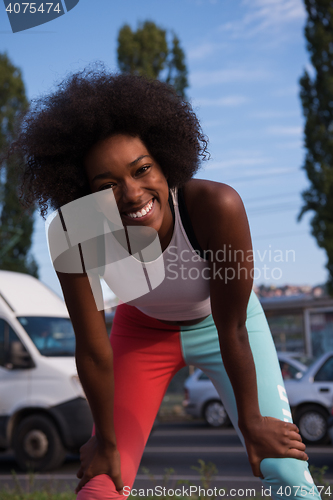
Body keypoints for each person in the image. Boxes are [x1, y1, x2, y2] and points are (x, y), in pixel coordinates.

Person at [11, 69, 320, 500]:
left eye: (142, 170)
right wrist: (108, 443)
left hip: (224, 327)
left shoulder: (215, 207)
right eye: (107, 185)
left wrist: (252, 422)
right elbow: (92, 346)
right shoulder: (74, 233)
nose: (133, 194)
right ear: (84, 195)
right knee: (102, 485)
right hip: (141, 332)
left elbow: (232, 328)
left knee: (288, 474)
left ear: (165, 161)